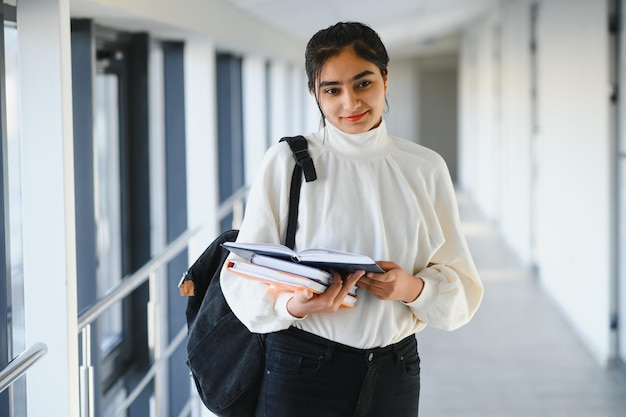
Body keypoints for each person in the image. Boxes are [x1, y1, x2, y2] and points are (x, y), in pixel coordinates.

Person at [220, 21, 483, 417]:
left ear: (385, 78)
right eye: (332, 90)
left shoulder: (425, 168)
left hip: (395, 372)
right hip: (301, 369)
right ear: (315, 93)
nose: (350, 103)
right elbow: (240, 274)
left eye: (363, 84)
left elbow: (462, 289)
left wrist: (411, 288)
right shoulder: (287, 162)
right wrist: (297, 304)